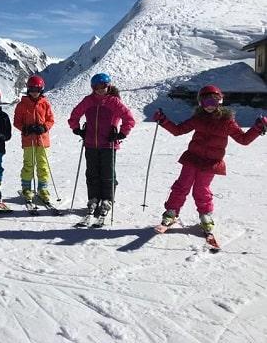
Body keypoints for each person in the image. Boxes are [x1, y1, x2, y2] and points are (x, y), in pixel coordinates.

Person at [152, 84, 265, 232]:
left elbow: (243, 139)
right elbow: (178, 130)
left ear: (220, 102)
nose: (210, 106)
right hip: (192, 158)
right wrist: (164, 121)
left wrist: (257, 128)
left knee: (201, 189)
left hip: (211, 162)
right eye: (206, 102)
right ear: (201, 103)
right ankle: (171, 212)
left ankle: (205, 215)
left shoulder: (227, 121)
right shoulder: (198, 118)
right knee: (182, 185)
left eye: (214, 102)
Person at [68, 73, 136, 219]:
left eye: (103, 86)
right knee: (92, 173)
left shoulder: (114, 102)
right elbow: (75, 114)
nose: (100, 90)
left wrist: (121, 134)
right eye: (96, 87)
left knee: (107, 174)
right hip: (91, 144)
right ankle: (93, 198)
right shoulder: (88, 101)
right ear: (93, 88)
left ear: (108, 86)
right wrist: (76, 129)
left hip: (108, 144)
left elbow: (129, 118)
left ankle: (107, 200)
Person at [13, 75, 55, 203]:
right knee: (28, 164)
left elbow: (51, 120)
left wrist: (44, 127)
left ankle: (43, 188)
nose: (34, 92)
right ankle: (26, 188)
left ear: (41, 90)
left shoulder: (45, 104)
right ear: (27, 89)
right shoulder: (22, 105)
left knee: (43, 164)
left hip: (43, 140)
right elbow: (17, 122)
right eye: (31, 89)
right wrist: (25, 129)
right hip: (28, 140)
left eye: (37, 89)